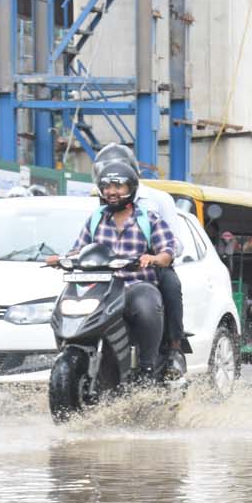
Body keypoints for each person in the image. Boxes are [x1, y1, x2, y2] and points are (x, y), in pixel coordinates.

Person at [52, 153, 184, 381]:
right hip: (101, 286)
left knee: (147, 304)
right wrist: (62, 258)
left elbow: (168, 252)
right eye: (106, 186)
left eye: (118, 186)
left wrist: (154, 258)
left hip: (136, 284)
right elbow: (80, 249)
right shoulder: (95, 219)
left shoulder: (149, 219)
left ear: (131, 188)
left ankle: (147, 368)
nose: (112, 192)